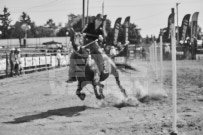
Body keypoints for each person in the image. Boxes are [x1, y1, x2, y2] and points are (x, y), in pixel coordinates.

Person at [66, 13, 105, 82]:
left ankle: (100, 70)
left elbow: (103, 40)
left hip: (94, 44)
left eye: (101, 20)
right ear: (95, 19)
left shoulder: (101, 30)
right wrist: (82, 34)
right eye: (98, 20)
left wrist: (101, 38)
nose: (99, 21)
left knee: (99, 54)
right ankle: (72, 77)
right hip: (85, 43)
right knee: (73, 56)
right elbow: (81, 32)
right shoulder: (89, 25)